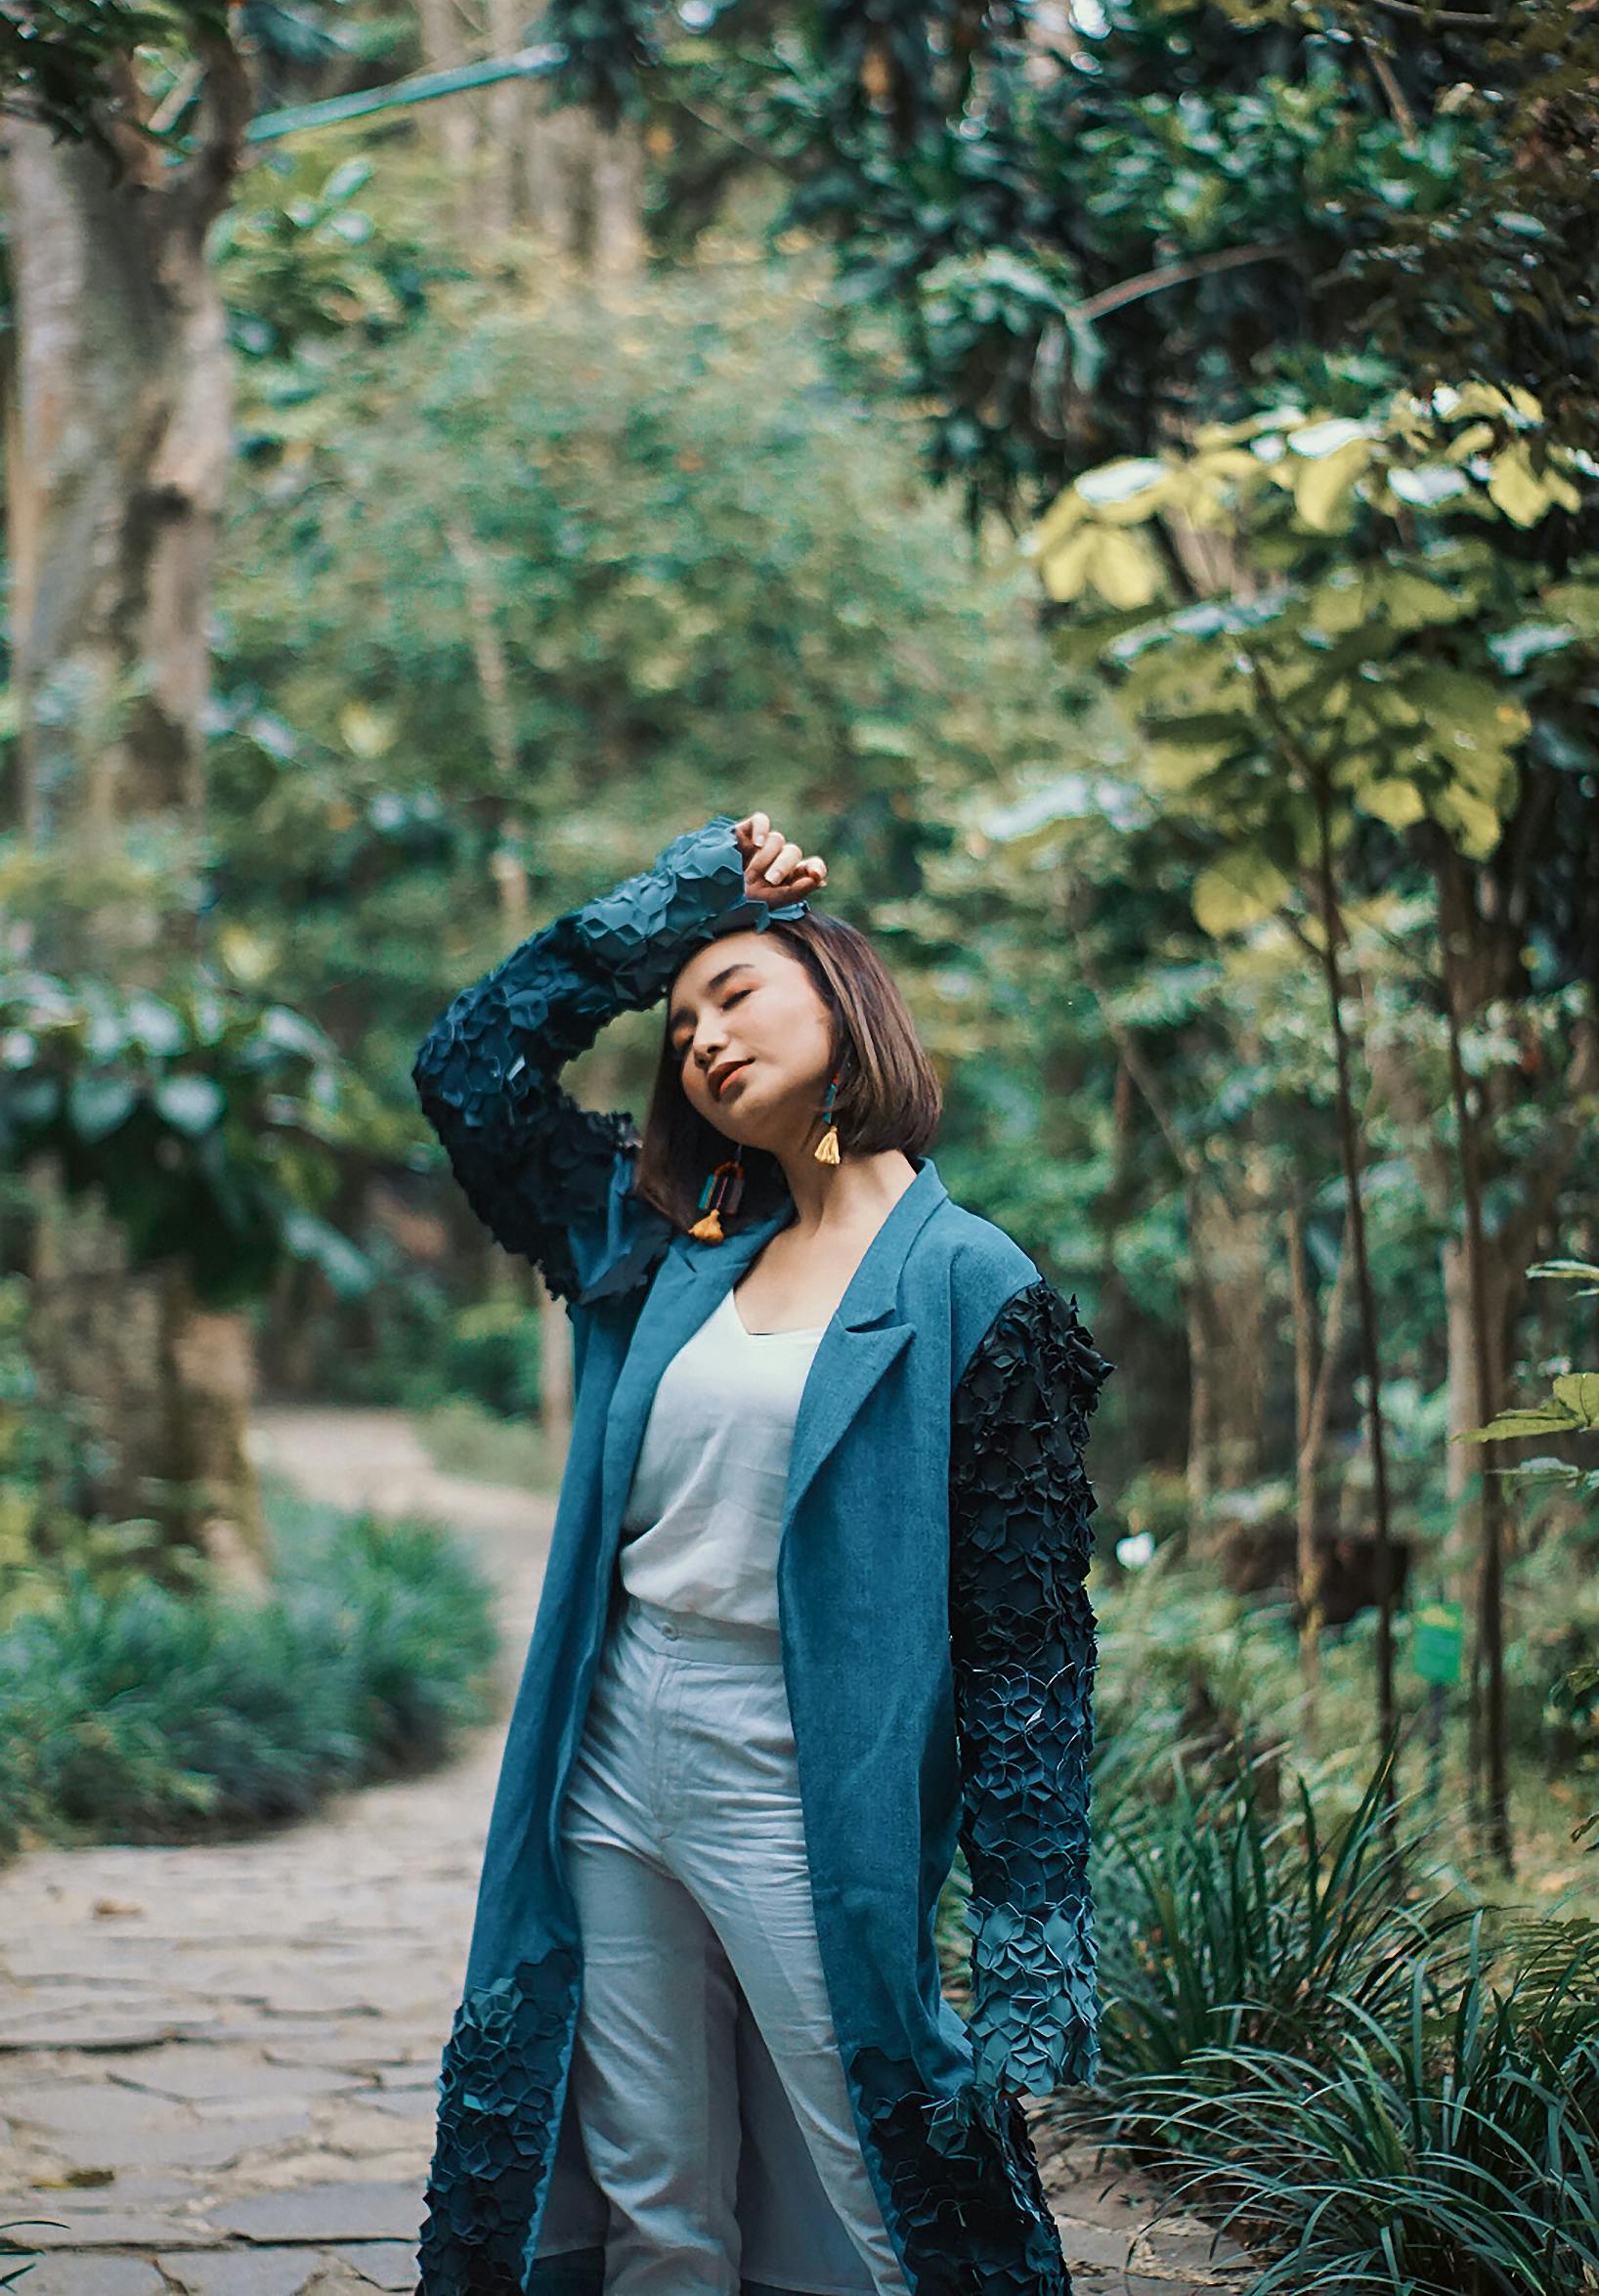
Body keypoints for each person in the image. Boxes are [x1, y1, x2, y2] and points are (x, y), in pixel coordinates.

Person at [410, 808, 1112, 2296]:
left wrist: (1036, 1932)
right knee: (659, 2200)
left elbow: (1027, 1652)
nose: (702, 1040)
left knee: (884, 2183)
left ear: (843, 997)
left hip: (797, 1770)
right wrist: (687, 905)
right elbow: (468, 1069)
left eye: (736, 993)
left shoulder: (977, 1286)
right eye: (680, 1026)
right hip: (612, 1755)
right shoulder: (660, 1242)